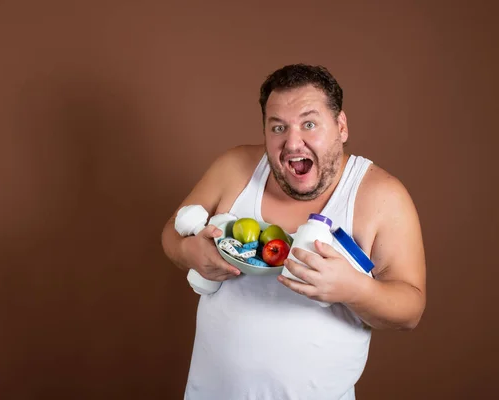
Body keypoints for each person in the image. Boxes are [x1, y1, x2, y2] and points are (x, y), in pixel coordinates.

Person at [161, 64, 426, 400]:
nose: (292, 142)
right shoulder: (234, 167)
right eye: (278, 127)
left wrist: (353, 289)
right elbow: (172, 233)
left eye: (309, 124)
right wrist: (189, 253)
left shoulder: (381, 196)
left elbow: (411, 309)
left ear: (341, 126)